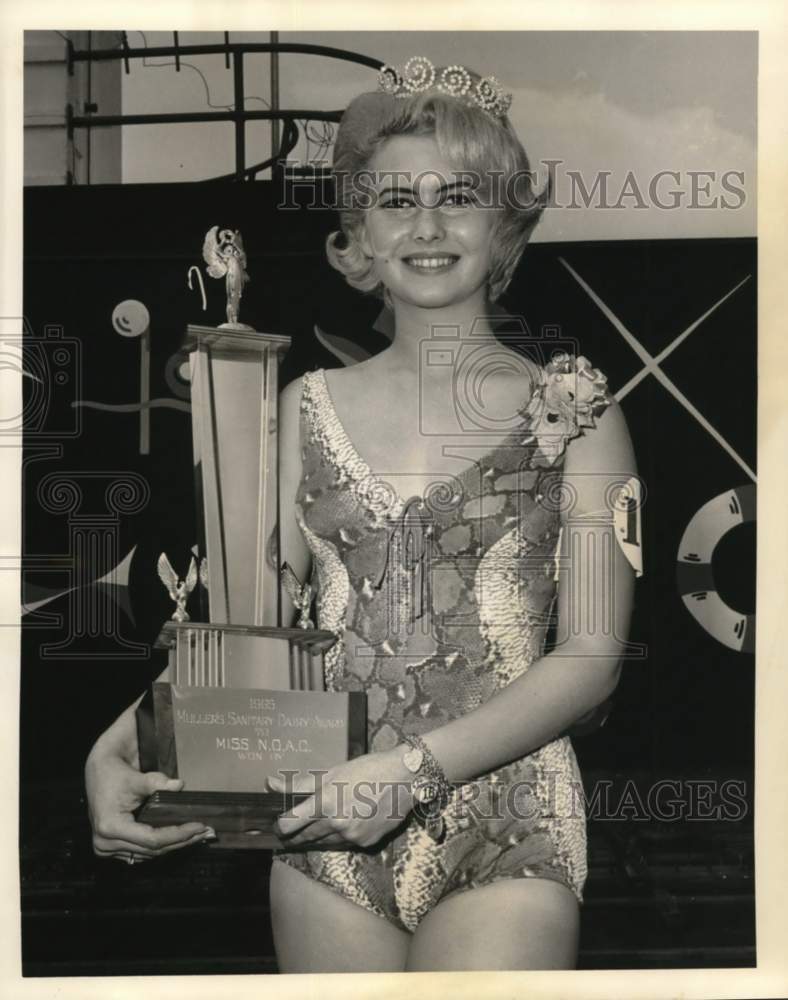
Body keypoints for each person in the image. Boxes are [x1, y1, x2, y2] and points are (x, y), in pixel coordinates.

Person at [85, 56, 641, 973]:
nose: (427, 225)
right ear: (356, 236)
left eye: (457, 195)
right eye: (394, 201)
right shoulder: (299, 409)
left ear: (504, 223)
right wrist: (121, 742)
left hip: (510, 826)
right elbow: (249, 635)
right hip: (322, 828)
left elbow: (592, 658)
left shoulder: (580, 408)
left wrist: (412, 772)